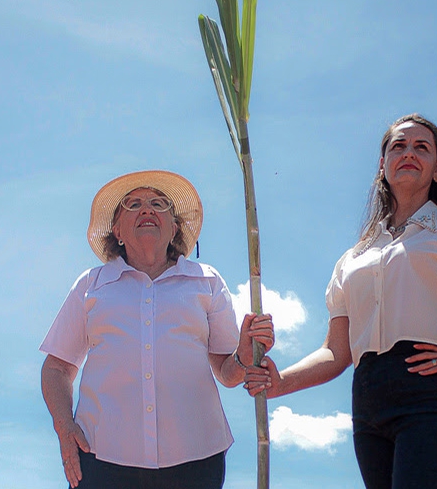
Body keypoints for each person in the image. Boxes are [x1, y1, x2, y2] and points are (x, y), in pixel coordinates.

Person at [245, 114, 437, 489]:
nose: (409, 153)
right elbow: (336, 352)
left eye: (422, 147)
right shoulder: (353, 258)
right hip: (368, 405)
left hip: (434, 396)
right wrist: (280, 384)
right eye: (398, 146)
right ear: (382, 166)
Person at [40, 170, 273, 489]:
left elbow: (228, 372)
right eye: (132, 204)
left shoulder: (206, 281)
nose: (147, 209)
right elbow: (57, 367)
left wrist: (245, 357)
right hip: (100, 458)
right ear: (117, 230)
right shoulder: (91, 284)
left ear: (175, 227)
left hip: (195, 460)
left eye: (159, 203)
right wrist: (64, 427)